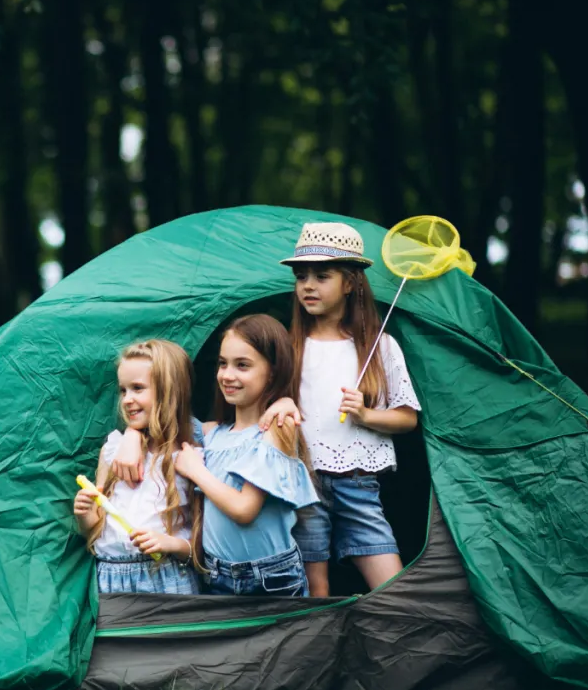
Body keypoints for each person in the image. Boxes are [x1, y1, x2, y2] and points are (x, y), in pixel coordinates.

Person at [275, 222, 421, 595]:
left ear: (351, 283)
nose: (308, 285)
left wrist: (367, 415)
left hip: (358, 481)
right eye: (301, 276)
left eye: (322, 276)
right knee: (314, 590)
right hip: (303, 482)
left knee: (392, 586)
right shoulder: (289, 345)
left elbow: (407, 418)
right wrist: (281, 402)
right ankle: (323, 649)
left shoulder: (379, 346)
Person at [172, 315, 321, 597]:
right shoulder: (213, 433)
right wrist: (131, 436)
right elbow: (163, 421)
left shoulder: (277, 428)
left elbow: (244, 510)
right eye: (222, 363)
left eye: (242, 365)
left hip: (269, 579)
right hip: (216, 574)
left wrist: (197, 472)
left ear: (273, 372)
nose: (227, 375)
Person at [72, 340, 201, 594]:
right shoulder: (113, 449)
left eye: (138, 388)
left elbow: (203, 545)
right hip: (110, 576)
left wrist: (171, 544)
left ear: (169, 391)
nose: (127, 399)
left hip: (167, 576)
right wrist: (85, 514)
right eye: (123, 391)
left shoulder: (190, 457)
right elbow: (98, 528)